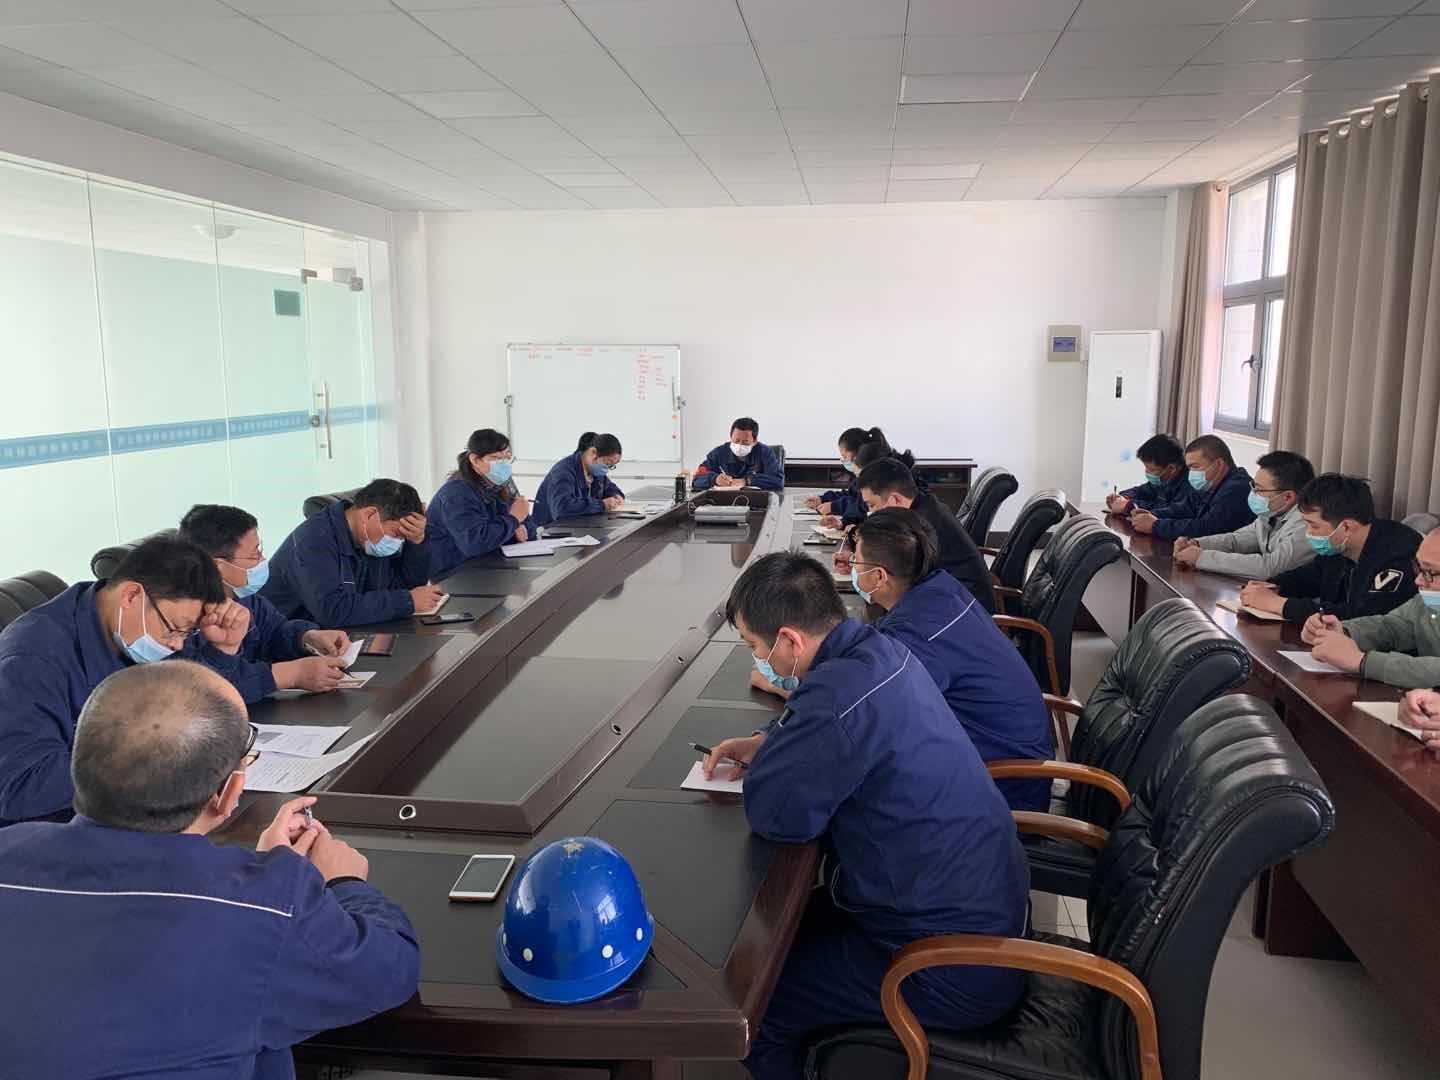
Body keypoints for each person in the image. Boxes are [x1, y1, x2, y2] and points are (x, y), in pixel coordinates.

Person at [0, 661, 419, 1079]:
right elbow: (389, 969)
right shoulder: (265, 909)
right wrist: (342, 883)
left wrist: (260, 877)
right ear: (229, 790)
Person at [699, 553, 1029, 1080]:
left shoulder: (839, 695)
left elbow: (777, 814)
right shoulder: (878, 650)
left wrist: (778, 754)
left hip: (948, 963)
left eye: (754, 646)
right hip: (981, 913)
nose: (757, 658)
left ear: (789, 640)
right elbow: (837, 729)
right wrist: (770, 741)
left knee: (753, 1006)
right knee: (780, 939)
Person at [0, 536, 245, 824]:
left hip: (128, 810)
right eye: (175, 629)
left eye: (187, 633)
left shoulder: (138, 623)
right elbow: (19, 788)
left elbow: (191, 704)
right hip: (51, 831)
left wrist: (223, 650)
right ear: (131, 596)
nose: (177, 644)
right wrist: (147, 753)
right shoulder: (32, 658)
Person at [852, 509, 1053, 811]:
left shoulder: (917, 633)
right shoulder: (940, 589)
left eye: (856, 562)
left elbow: (864, 706)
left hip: (1001, 787)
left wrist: (796, 680)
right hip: (1003, 755)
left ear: (879, 576)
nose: (853, 568)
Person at [178, 504, 352, 702]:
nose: (262, 560)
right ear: (218, 566)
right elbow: (200, 689)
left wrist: (307, 637)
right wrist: (290, 674)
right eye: (254, 555)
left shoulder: (244, 597)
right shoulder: (178, 622)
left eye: (260, 550)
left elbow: (275, 631)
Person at [1239, 474, 1420, 623]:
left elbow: (1365, 618)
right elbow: (1310, 576)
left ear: (1346, 527)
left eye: (1314, 526)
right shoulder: (1339, 547)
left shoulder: (1399, 554)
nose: (1308, 533)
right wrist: (1274, 586)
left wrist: (1280, 605)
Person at [263, 478, 440, 627]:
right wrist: (406, 601)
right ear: (369, 515)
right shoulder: (313, 540)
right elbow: (333, 611)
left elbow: (404, 587)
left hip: (345, 632)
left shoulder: (369, 539)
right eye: (396, 534)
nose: (397, 542)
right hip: (289, 642)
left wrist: (417, 542)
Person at [849, 456, 996, 613]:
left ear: (895, 500)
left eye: (871, 505)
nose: (870, 512)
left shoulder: (922, 526)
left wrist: (861, 566)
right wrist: (860, 560)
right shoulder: (923, 504)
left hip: (965, 609)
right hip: (950, 597)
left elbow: (898, 577)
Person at [1303, 527, 1440, 689]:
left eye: (1430, 572)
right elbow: (1391, 627)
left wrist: (1361, 661)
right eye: (1419, 568)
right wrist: (1343, 632)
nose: (1418, 580)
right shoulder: (1426, 603)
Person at [1172, 450, 1316, 579]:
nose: (1253, 494)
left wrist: (1202, 557)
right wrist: (1197, 543)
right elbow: (1237, 540)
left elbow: (1269, 567)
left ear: (1288, 497)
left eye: (1259, 490)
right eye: (1253, 486)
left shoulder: (1307, 524)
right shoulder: (1271, 514)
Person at [426, 429, 537, 580]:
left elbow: (529, 525)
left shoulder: (502, 483)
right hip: (456, 574)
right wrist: (513, 521)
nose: (504, 464)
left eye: (507, 457)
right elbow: (474, 543)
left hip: (492, 562)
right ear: (475, 460)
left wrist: (517, 526)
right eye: (496, 458)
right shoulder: (456, 494)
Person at [1130, 434, 1252, 539]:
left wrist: (1156, 526)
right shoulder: (1212, 484)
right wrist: (1152, 514)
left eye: (1195, 467)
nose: (1191, 473)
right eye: (1189, 468)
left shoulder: (1237, 489)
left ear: (1219, 464)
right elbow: (1185, 508)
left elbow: (1207, 528)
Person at [534, 431, 625, 526]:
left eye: (611, 466)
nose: (607, 469)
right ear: (593, 452)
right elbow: (562, 508)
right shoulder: (563, 472)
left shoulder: (594, 471)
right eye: (608, 463)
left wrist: (616, 495)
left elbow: (609, 488)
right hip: (550, 529)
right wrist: (602, 505)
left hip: (578, 527)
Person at [805, 426, 887, 519]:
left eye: (845, 456)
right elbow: (852, 494)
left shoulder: (879, 476)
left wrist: (834, 506)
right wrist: (823, 499)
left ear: (858, 454)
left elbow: (864, 505)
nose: (843, 460)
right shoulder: (865, 473)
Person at [1105, 433, 1192, 516]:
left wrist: (1129, 506)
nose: (1146, 472)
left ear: (1171, 468)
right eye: (1146, 467)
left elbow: (1171, 510)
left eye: (1152, 469)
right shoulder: (1164, 479)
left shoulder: (1190, 484)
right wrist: (1122, 498)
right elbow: (1140, 491)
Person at [691, 417, 783, 492]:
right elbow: (697, 479)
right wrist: (714, 479)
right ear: (731, 437)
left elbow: (778, 480)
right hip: (723, 502)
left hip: (756, 501)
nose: (739, 445)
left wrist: (748, 481)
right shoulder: (718, 453)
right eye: (736, 441)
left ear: (754, 441)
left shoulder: (765, 452)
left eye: (745, 442)